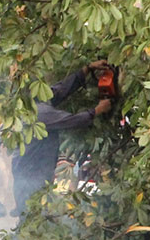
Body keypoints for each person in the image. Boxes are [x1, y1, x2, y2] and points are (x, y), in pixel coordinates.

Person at [11, 60, 112, 217]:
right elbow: (72, 120)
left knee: (38, 215)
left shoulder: (36, 103)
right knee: (32, 217)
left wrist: (87, 69)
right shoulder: (39, 113)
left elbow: (62, 89)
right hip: (30, 174)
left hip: (35, 171)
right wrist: (98, 110)